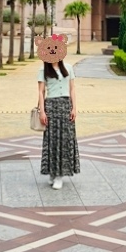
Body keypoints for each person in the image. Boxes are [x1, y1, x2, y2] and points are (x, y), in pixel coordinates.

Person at [36, 33, 80, 190]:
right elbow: (41, 92)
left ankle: (60, 175)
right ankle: (53, 173)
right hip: (51, 107)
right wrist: (42, 111)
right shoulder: (43, 70)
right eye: (49, 48)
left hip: (65, 105)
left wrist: (74, 107)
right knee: (52, 141)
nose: (53, 51)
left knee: (64, 140)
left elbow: (72, 88)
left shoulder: (68, 68)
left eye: (56, 48)